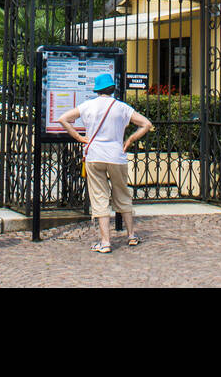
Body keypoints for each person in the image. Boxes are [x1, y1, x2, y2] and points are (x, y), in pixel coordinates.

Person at [57, 72, 154, 254]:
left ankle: (105, 241)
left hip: (95, 155)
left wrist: (79, 137)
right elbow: (146, 124)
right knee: (123, 195)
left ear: (97, 89)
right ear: (112, 89)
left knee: (99, 198)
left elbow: (63, 119)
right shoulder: (122, 107)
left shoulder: (88, 106)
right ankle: (131, 235)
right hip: (117, 155)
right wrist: (130, 139)